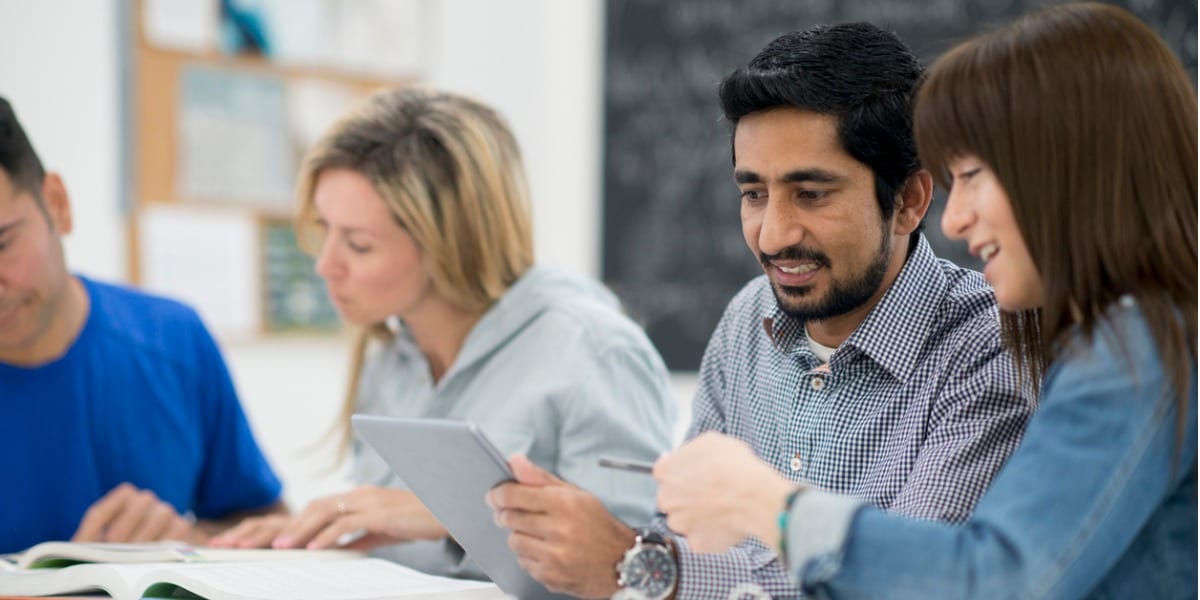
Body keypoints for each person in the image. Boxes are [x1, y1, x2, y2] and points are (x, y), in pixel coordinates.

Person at [653, 3, 1197, 598]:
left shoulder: (1134, 344)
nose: (956, 219)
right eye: (754, 192)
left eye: (975, 174)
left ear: (1070, 168)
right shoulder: (1136, 334)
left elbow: (993, 578)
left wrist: (771, 508)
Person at [487, 23, 1035, 599]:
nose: (773, 235)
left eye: (812, 194)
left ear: (909, 200)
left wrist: (640, 567)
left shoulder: (990, 348)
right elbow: (683, 530)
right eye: (753, 194)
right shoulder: (749, 318)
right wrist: (590, 546)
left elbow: (898, 586)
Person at [208, 87, 677, 579]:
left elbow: (637, 574)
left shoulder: (592, 351)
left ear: (449, 244)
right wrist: (300, 544)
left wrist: (446, 516)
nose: (325, 265)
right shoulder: (392, 359)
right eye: (324, 230)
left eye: (359, 245)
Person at [0, 96, 285, 553]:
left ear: (57, 204)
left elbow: (270, 527)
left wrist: (190, 539)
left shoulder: (174, 340)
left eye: (2, 244)